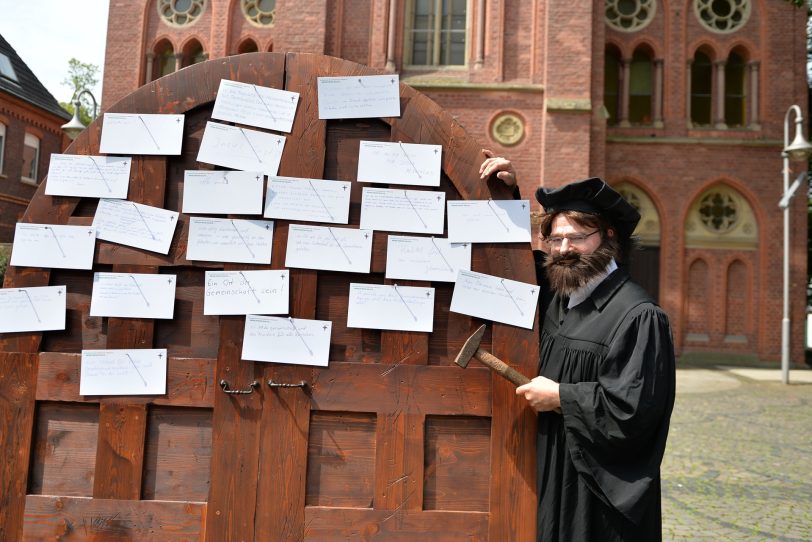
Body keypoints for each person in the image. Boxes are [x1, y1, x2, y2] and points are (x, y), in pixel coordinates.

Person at [480, 151, 676, 541]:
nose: (564, 249)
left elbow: (635, 413)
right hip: (546, 471)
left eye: (577, 237)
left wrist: (563, 397)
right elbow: (513, 261)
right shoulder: (558, 292)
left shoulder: (637, 316)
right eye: (555, 238)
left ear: (608, 237)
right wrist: (507, 193)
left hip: (595, 496)